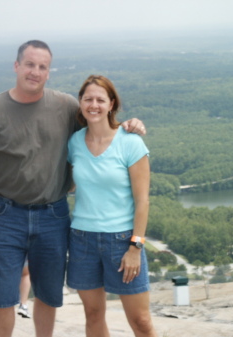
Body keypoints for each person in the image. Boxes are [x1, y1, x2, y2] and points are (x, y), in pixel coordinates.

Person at [0, 40, 146, 337]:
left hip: (53, 215)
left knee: (47, 295)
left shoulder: (65, 106)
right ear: (16, 66)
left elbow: (99, 123)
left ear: (49, 72)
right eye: (29, 64)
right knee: (2, 296)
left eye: (42, 67)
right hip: (7, 215)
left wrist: (128, 125)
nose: (35, 71)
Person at [66, 75, 158, 337]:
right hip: (82, 240)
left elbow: (143, 201)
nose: (93, 105)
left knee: (140, 320)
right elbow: (71, 183)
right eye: (88, 99)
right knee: (93, 315)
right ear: (81, 103)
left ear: (111, 104)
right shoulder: (74, 142)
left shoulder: (130, 142)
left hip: (122, 240)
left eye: (100, 99)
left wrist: (135, 246)